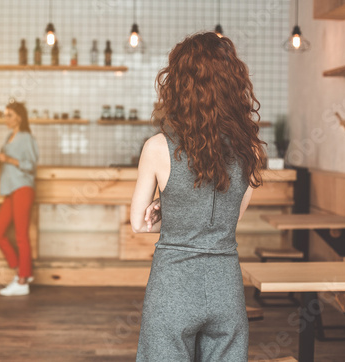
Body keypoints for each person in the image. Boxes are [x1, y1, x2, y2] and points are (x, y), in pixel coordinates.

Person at [130, 32, 266, 361]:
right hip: (226, 289)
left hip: (172, 288)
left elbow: (139, 224)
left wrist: (168, 207)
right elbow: (229, 216)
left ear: (177, 84)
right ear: (232, 83)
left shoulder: (158, 147)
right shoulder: (250, 150)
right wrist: (175, 205)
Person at [0, 101, 38, 296]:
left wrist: (7, 159)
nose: (6, 119)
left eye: (9, 115)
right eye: (5, 115)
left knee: (21, 236)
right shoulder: (9, 137)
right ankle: (23, 271)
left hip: (23, 189)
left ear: (19, 116)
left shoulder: (26, 138)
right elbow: (7, 165)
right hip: (11, 190)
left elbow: (31, 165)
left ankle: (22, 281)